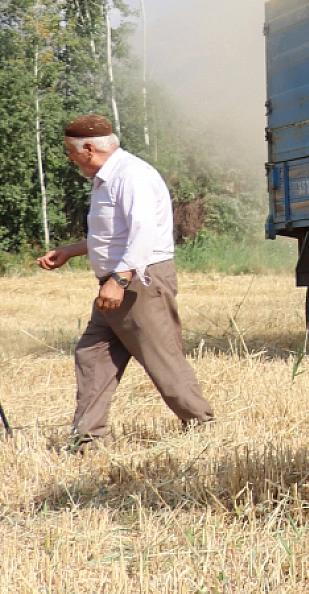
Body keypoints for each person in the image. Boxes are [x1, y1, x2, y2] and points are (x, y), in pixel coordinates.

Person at [36, 114, 214, 447]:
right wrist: (70, 251)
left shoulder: (131, 175)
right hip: (117, 283)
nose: (70, 159)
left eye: (70, 152)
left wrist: (119, 279)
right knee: (92, 355)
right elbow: (112, 235)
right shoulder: (107, 178)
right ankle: (88, 440)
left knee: (161, 359)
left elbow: (143, 234)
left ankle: (203, 427)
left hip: (139, 283)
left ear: (88, 149)